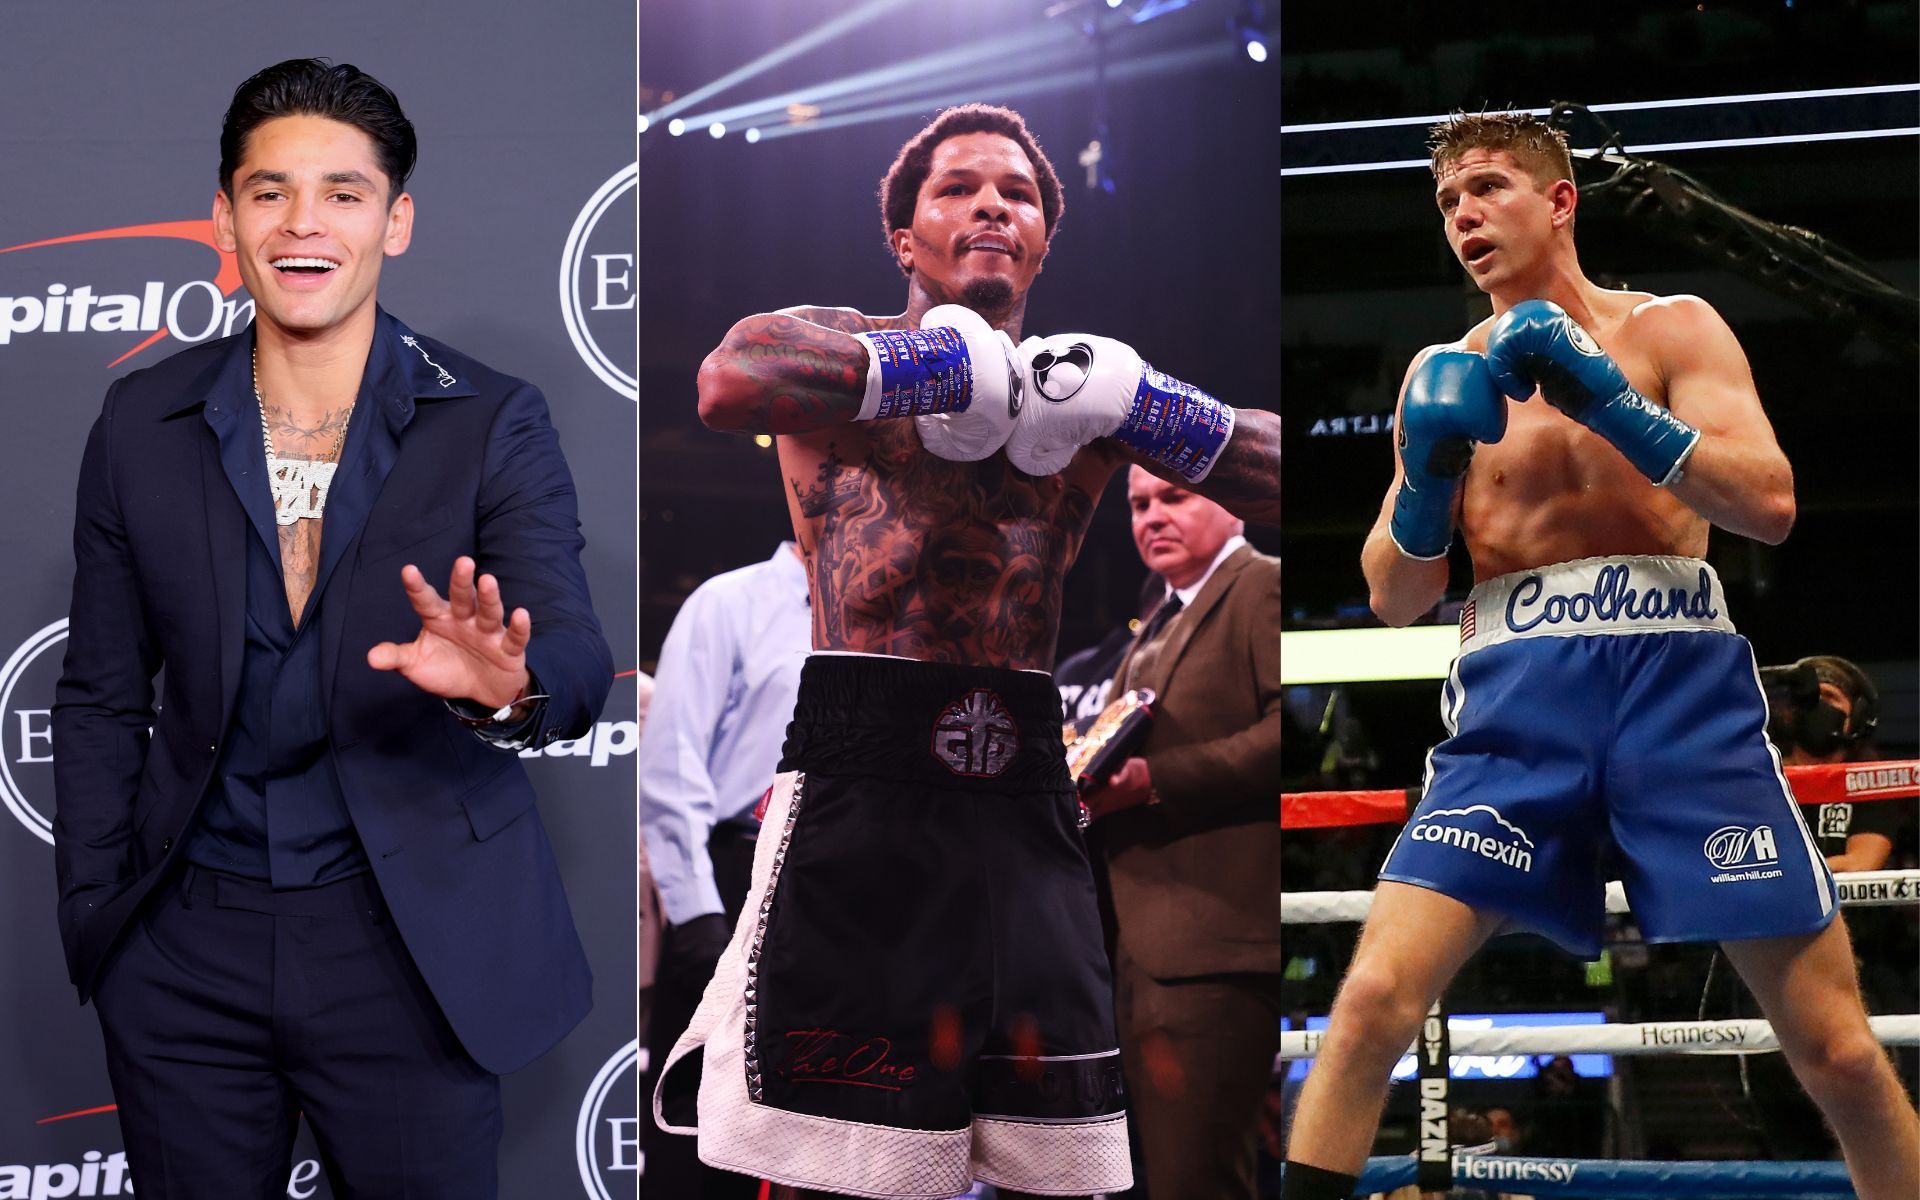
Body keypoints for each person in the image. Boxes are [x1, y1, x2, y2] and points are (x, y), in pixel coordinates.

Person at [1280, 111, 1919, 1200]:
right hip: (1515, 705)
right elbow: (1394, 594)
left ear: (1561, 199)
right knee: (1370, 1007)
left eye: (1486, 188)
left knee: (1842, 1051)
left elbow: (1768, 505)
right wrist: (1430, 476)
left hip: (1682, 697)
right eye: (1447, 203)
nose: (1464, 216)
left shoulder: (1674, 330)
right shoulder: (1443, 374)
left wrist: (1616, 408)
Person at [650, 103, 1280, 1200]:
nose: (993, 203)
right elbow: (726, 380)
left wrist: (1145, 401)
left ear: (1043, 240)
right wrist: (927, 370)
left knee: (1058, 1165)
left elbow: (1270, 469)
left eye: (1019, 193)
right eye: (958, 188)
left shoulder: (1083, 398)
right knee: (833, 1159)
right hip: (861, 771)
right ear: (904, 236)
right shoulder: (840, 357)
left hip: (1025, 789)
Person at [52, 59, 612, 1197]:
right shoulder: (142, 420)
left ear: (395, 222)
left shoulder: (493, 418)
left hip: (412, 947)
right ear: (225, 215)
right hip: (184, 948)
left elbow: (572, 655)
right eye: (270, 192)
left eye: (345, 194)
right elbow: (103, 692)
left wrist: (505, 686)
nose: (305, 224)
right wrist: (102, 917)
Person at [1090, 467, 1281, 1200]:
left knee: (1196, 1181)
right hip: (1143, 945)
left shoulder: (1261, 585)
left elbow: (1277, 737)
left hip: (1217, 943)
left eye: (1174, 497)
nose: (1152, 517)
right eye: (1139, 505)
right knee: (1172, 1178)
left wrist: (1156, 779)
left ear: (1230, 505)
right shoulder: (1159, 614)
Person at [638, 542, 810, 1198]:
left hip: (851, 891)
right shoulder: (730, 603)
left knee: (833, 1132)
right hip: (737, 880)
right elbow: (671, 768)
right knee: (704, 1136)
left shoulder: (890, 621)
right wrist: (698, 917)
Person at [1765, 654, 1897, 872]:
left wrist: (1786, 875)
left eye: (1829, 696)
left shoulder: (1870, 784)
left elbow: (1860, 864)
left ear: (1855, 717)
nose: (1818, 706)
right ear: (1789, 710)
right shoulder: (1763, 779)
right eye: (1810, 698)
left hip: (1846, 905)